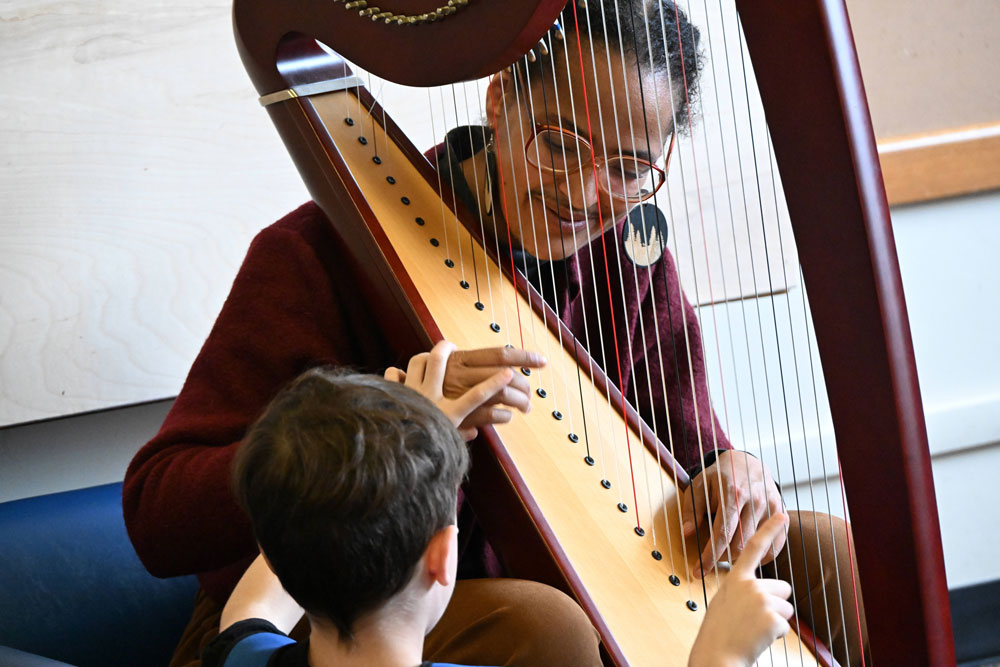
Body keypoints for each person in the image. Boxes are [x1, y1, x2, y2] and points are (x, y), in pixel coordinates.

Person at [124, 0, 864, 664]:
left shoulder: (629, 253)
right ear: (501, 97)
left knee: (830, 552)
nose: (585, 193)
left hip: (572, 576)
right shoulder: (316, 254)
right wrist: (390, 424)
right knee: (546, 625)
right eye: (560, 143)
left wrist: (735, 469)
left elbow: (692, 447)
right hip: (340, 619)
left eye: (629, 167)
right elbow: (157, 514)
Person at [203, 351, 794, 667]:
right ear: (444, 555)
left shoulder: (247, 654)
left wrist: (415, 435)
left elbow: (252, 606)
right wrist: (722, 654)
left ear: (275, 552)